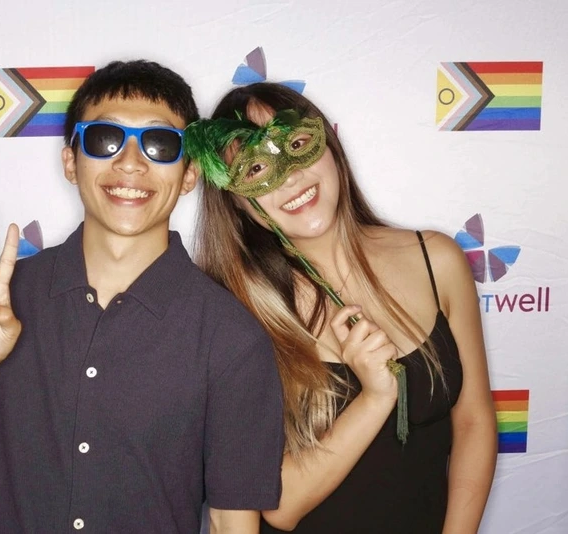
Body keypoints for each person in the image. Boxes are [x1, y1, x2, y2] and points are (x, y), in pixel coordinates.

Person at [0, 60, 285, 533]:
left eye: (160, 144)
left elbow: (231, 524)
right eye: (106, 139)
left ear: (189, 175)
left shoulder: (231, 338)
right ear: (70, 162)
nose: (130, 164)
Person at [187, 82, 497, 533]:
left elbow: (473, 420)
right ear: (237, 201)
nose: (290, 176)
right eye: (257, 168)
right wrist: (373, 398)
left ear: (328, 145)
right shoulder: (231, 310)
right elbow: (280, 504)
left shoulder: (438, 260)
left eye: (296, 145)